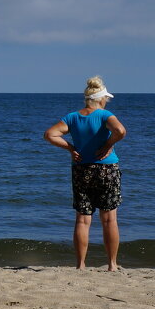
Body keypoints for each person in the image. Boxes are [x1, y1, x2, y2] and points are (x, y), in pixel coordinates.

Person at [44, 75, 127, 271]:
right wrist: (108, 144)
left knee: (82, 219)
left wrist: (71, 149)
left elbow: (50, 135)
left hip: (81, 169)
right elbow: (121, 131)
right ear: (100, 99)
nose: (106, 101)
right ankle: (112, 265)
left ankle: (81, 265)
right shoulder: (105, 115)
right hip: (107, 168)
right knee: (109, 219)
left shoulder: (73, 117)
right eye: (105, 98)